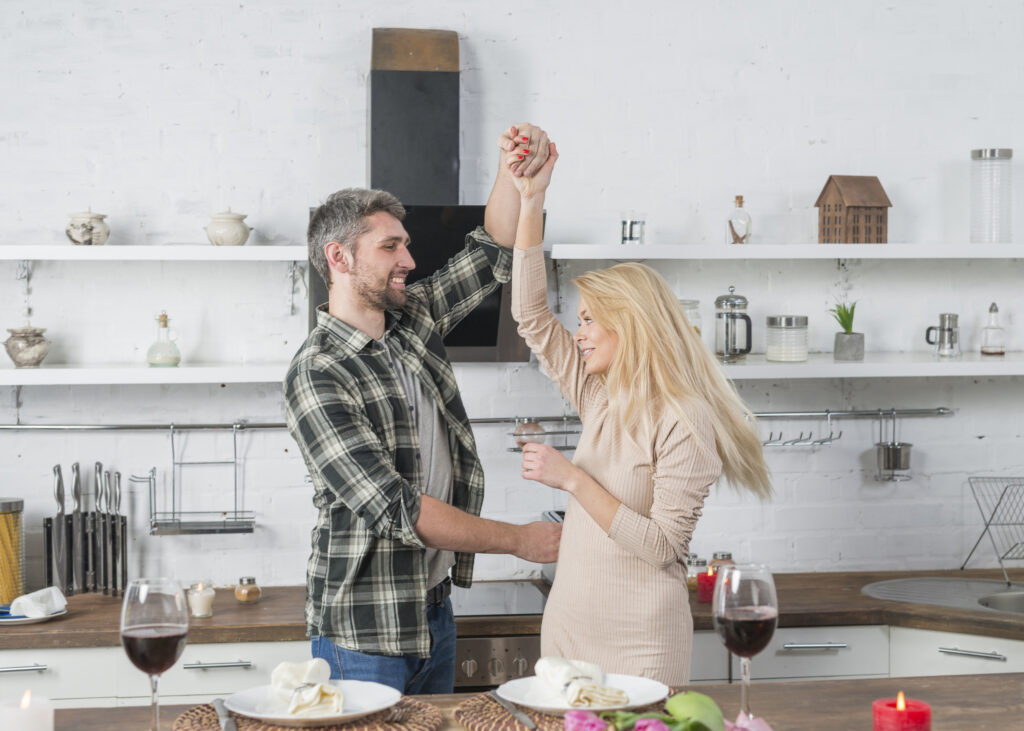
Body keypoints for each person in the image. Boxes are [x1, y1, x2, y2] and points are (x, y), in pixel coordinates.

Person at [284, 123, 561, 694]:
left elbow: (490, 251)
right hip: (364, 635)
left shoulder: (413, 322)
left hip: (433, 616)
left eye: (405, 243)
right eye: (391, 247)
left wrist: (514, 174)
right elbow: (398, 509)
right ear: (339, 257)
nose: (409, 258)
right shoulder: (317, 373)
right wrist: (518, 540)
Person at [507, 138, 772, 685]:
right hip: (567, 633)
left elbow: (662, 548)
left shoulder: (685, 419)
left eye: (587, 321)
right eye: (577, 321)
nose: (577, 334)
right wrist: (531, 201)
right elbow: (531, 314)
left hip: (641, 643)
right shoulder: (600, 398)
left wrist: (573, 481)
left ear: (629, 325)